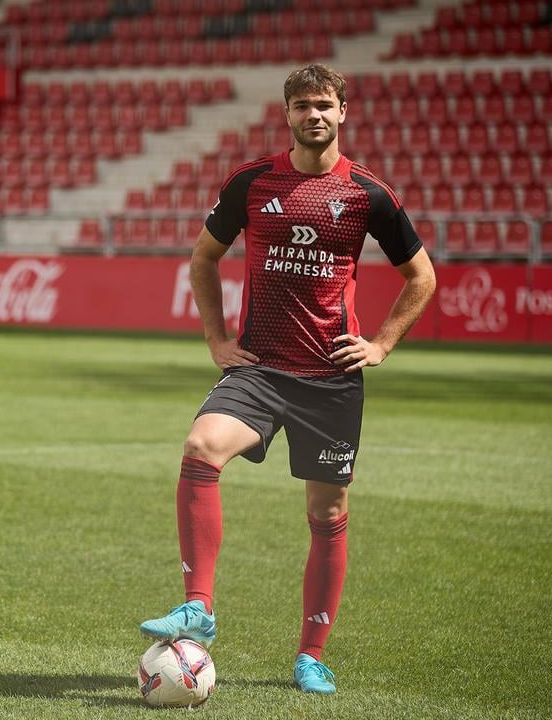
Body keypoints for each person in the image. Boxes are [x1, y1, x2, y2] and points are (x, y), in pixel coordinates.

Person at [139, 64, 436, 695]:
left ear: (343, 112)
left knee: (327, 512)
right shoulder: (252, 182)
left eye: (324, 104)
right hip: (260, 368)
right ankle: (198, 606)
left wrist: (382, 343)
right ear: (287, 114)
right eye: (302, 105)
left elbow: (422, 276)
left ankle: (310, 655)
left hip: (330, 378)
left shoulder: (367, 193)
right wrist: (216, 339)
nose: (314, 115)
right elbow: (203, 257)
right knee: (200, 447)